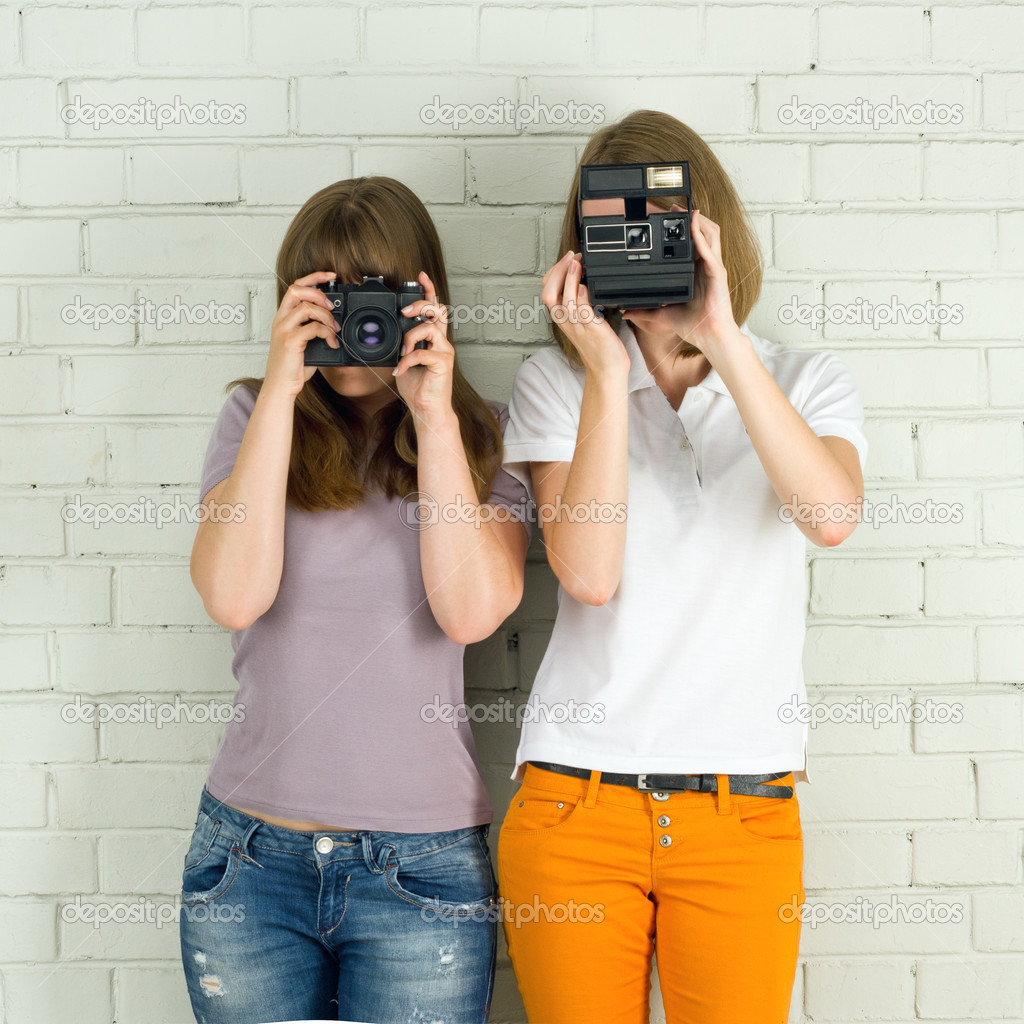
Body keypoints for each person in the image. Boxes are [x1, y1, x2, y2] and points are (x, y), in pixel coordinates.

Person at [495, 109, 868, 1024]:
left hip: (742, 810)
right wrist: (602, 369)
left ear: (710, 235)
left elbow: (829, 517)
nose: (638, 250)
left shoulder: (804, 378)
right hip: (577, 807)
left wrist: (724, 338)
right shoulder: (557, 382)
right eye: (613, 231)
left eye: (657, 228)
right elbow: (586, 571)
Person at [179, 176, 531, 1024]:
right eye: (328, 300)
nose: (354, 327)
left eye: (372, 295)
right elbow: (232, 594)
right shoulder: (251, 417)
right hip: (251, 859)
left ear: (422, 298)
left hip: (421, 869)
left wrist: (435, 418)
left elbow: (472, 613)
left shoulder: (486, 431)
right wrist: (278, 394)